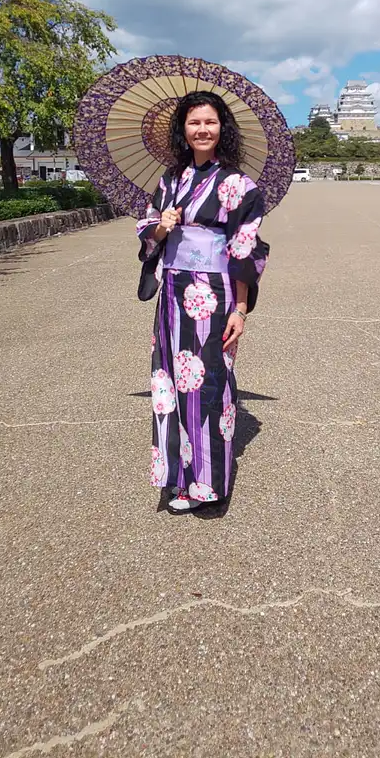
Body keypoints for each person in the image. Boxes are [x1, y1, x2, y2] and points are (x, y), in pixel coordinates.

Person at [136, 91, 269, 515]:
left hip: (214, 293)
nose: (202, 130)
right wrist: (161, 225)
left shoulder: (238, 185)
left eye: (210, 122)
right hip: (173, 293)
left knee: (208, 382)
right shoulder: (169, 180)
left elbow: (245, 250)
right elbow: (148, 235)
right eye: (194, 123)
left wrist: (240, 309)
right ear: (183, 130)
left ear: (222, 128)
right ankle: (177, 478)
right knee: (170, 384)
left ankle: (207, 482)